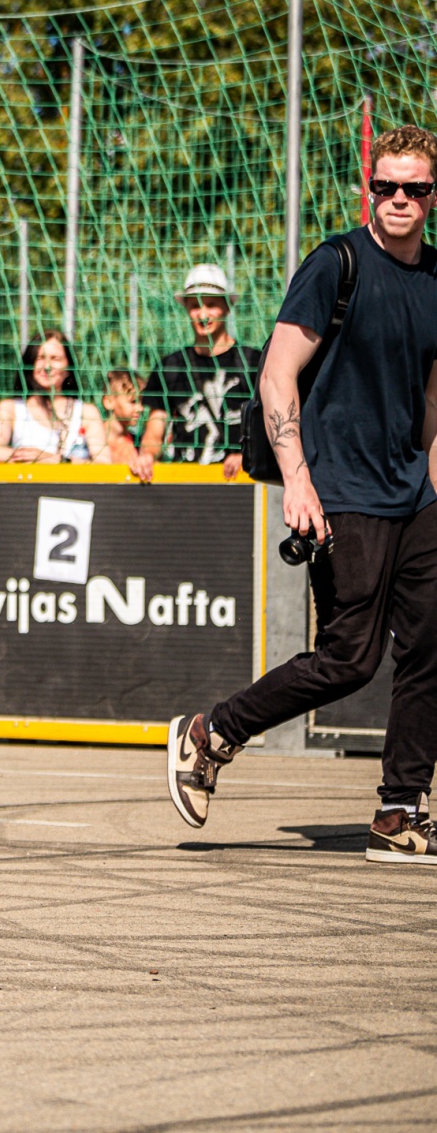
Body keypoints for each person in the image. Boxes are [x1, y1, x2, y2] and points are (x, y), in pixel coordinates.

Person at [170, 126, 437, 864]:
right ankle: (212, 733)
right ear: (369, 190)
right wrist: (297, 480)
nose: (400, 199)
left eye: (415, 188)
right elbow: (277, 374)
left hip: (415, 493)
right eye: (386, 186)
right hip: (339, 487)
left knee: (431, 645)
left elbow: (433, 398)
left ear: (432, 195)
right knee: (350, 659)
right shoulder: (336, 264)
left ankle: (400, 811)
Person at [134, 263, 261, 481]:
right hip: (185, 480)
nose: (203, 314)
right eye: (195, 306)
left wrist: (250, 455)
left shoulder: (253, 362)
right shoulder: (170, 366)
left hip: (241, 481)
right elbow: (156, 423)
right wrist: (147, 454)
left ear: (227, 307)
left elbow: (270, 422)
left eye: (211, 305)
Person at [0, 332, 106, 463]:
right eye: (40, 358)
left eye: (55, 358)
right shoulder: (10, 408)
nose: (47, 366)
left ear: (69, 367)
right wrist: (34, 456)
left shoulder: (86, 412)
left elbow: (104, 463)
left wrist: (54, 459)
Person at [99, 370, 149, 466]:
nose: (140, 408)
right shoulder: (92, 440)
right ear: (109, 401)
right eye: (133, 401)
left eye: (141, 402)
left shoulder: (139, 444)